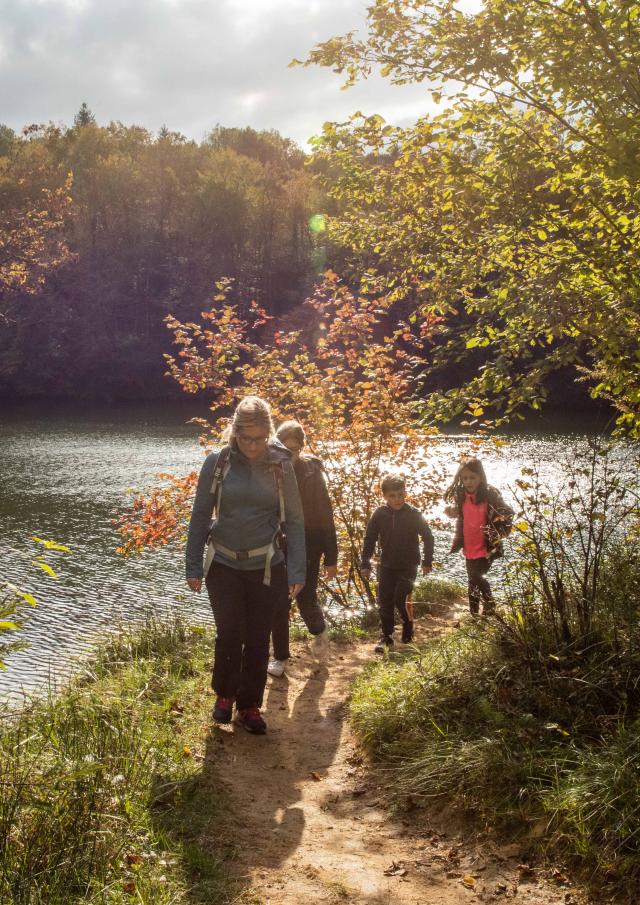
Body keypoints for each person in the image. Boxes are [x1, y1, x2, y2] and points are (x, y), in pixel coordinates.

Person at [185, 396, 305, 734]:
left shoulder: (281, 465)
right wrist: (193, 564)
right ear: (234, 432)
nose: (252, 446)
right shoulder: (217, 462)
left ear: (268, 432)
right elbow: (199, 517)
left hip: (267, 564)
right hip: (223, 564)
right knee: (230, 632)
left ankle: (249, 704)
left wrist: (297, 570)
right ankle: (224, 695)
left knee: (257, 636)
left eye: (259, 438)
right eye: (245, 438)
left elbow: (295, 520)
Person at [268, 420, 338, 677]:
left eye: (295, 450)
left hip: (310, 544)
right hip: (280, 543)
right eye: (285, 450)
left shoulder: (311, 474)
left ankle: (319, 632)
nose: (290, 455)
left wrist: (332, 557)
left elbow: (326, 515)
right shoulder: (270, 469)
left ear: (302, 448)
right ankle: (280, 657)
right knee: (279, 600)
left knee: (305, 596)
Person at [360, 473, 434, 653]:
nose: (397, 499)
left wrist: (427, 561)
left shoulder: (413, 514)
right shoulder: (379, 514)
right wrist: (365, 563)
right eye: (392, 496)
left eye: (401, 494)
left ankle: (408, 627)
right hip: (386, 565)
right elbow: (369, 538)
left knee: (400, 598)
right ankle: (387, 636)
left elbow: (428, 537)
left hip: (408, 565)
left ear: (405, 493)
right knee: (384, 600)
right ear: (384, 496)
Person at [443, 457, 514, 615]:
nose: (469, 481)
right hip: (470, 545)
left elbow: (508, 512)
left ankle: (488, 608)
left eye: (472, 477)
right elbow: (461, 513)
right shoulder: (461, 495)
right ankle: (476, 613)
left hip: (487, 546)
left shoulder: (489, 495)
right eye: (465, 478)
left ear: (480, 477)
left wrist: (498, 532)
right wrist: (453, 511)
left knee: (477, 577)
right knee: (472, 581)